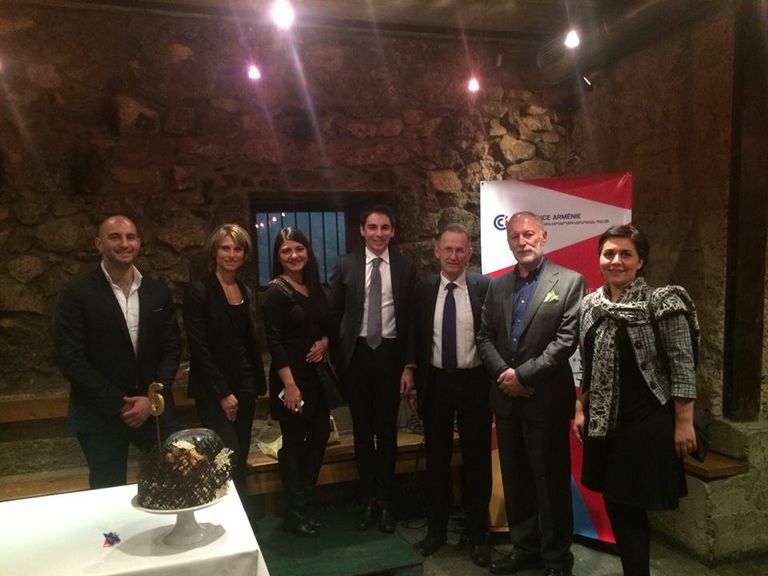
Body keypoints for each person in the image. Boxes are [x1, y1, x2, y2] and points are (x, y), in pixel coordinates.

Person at [573, 224, 697, 576]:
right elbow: (586, 363)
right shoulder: (591, 305)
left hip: (646, 420)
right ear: (599, 258)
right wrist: (580, 407)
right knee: (618, 505)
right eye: (609, 253)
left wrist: (684, 422)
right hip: (605, 423)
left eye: (626, 254)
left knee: (628, 505)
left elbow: (683, 364)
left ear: (641, 261)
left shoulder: (664, 302)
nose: (616, 261)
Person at [477, 211, 585, 576]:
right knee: (516, 481)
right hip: (507, 401)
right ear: (508, 242)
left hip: (545, 401)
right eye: (515, 236)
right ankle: (525, 549)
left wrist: (523, 375)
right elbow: (484, 337)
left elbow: (566, 341)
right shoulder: (497, 286)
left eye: (528, 234)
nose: (522, 241)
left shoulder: (570, 281)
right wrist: (505, 376)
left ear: (543, 237)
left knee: (551, 484)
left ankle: (557, 559)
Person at [55, 215, 181, 489]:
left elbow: (172, 347)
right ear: (99, 244)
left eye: (130, 237)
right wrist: (119, 403)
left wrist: (151, 399)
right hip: (100, 412)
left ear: (138, 242)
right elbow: (70, 358)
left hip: (153, 408)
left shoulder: (156, 291)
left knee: (174, 483)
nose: (124, 243)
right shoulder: (76, 292)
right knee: (107, 493)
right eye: (115, 237)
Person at [328, 204, 417, 534]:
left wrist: (409, 366)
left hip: (391, 357)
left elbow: (412, 321)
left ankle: (387, 502)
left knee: (388, 432)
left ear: (393, 231)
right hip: (357, 357)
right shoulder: (345, 264)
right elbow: (333, 313)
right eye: (373, 227)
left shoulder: (406, 266)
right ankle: (368, 500)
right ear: (362, 231)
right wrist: (338, 360)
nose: (379, 233)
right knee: (362, 433)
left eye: (385, 228)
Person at [412, 223, 493, 567]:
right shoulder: (423, 289)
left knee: (477, 460)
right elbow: (415, 336)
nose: (454, 256)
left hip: (475, 381)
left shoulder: (485, 287)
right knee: (437, 460)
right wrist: (411, 373)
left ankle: (477, 535)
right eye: (448, 249)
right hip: (436, 383)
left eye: (461, 250)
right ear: (437, 251)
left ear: (470, 253)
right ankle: (436, 531)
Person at [183, 223, 267, 496]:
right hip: (213, 387)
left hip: (244, 383)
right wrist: (223, 394)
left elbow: (248, 341)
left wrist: (255, 383)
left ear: (244, 254)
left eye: (237, 249)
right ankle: (220, 509)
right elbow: (199, 348)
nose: (231, 254)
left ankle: (241, 512)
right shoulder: (199, 290)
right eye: (225, 248)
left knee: (240, 455)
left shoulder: (245, 290)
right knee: (225, 453)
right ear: (214, 252)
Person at [262, 227, 333, 537]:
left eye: (299, 249)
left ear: (307, 251)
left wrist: (325, 343)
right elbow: (274, 342)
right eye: (286, 251)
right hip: (290, 378)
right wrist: (289, 386)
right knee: (293, 443)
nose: (294, 255)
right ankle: (296, 511)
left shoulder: (315, 287)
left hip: (315, 377)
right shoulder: (275, 292)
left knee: (319, 435)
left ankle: (305, 502)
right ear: (278, 257)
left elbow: (326, 326)